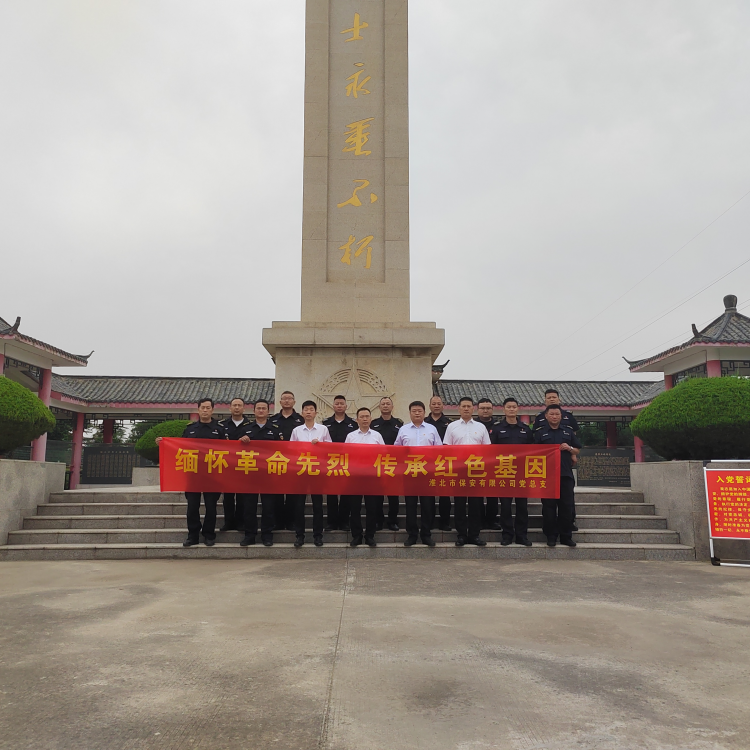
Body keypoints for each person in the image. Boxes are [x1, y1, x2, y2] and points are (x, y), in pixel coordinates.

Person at [156, 398, 227, 547]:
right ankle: (193, 535)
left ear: (212, 410)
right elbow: (179, 448)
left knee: (211, 507)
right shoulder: (190, 429)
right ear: (198, 409)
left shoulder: (220, 429)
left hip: (212, 475)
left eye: (208, 408)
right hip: (193, 473)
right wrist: (164, 444)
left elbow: (228, 451)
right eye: (203, 408)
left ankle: (209, 535)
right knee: (192, 506)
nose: (205, 410)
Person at [443, 397, 490, 547]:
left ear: (473, 409)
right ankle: (462, 535)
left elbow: (487, 449)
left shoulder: (481, 427)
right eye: (463, 406)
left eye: (469, 406)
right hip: (459, 471)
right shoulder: (452, 427)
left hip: (476, 471)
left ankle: (474, 535)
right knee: (460, 504)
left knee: (476, 504)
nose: (466, 409)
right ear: (458, 409)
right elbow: (447, 448)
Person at [394, 400, 441, 547]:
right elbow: (397, 449)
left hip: (427, 473)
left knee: (428, 505)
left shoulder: (432, 429)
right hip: (410, 473)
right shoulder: (403, 430)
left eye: (419, 411)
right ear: (409, 413)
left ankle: (426, 534)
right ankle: (412, 535)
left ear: (424, 413)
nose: (417, 413)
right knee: (410, 505)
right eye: (414, 411)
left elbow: (439, 450)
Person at [533, 404, 581, 547]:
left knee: (566, 506)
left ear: (561, 416)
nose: (554, 417)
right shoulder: (540, 433)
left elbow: (577, 450)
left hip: (565, 474)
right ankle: (551, 536)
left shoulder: (568, 432)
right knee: (549, 507)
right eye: (552, 414)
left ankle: (566, 536)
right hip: (547, 476)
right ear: (546, 416)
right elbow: (533, 452)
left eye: (557, 414)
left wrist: (569, 448)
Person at [240, 399, 284, 548]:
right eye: (258, 408)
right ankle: (249, 535)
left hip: (268, 474)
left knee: (268, 507)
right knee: (249, 507)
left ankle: (267, 535)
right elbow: (235, 449)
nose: (260, 410)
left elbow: (282, 450)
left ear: (268, 411)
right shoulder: (246, 429)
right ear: (253, 411)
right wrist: (241, 441)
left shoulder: (275, 429)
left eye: (263, 408)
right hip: (250, 473)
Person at [490, 397, 534, 546]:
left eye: (514, 407)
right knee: (505, 506)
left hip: (521, 473)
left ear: (517, 409)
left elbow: (533, 450)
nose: (511, 409)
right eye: (508, 407)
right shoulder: (497, 429)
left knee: (522, 506)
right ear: (503, 409)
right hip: (504, 472)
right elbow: (491, 451)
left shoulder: (525, 429)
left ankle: (522, 536)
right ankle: (507, 535)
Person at [290, 400, 332, 547]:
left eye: (311, 409)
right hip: (301, 471)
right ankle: (299, 536)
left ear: (316, 413)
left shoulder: (323, 429)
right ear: (302, 413)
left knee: (318, 505)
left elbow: (330, 448)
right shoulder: (296, 431)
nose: (308, 412)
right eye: (306, 409)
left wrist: (320, 445)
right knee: (299, 505)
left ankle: (318, 535)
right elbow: (291, 450)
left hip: (317, 472)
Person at [344, 407, 385, 547]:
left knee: (372, 507)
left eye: (367, 416)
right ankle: (356, 535)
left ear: (371, 419)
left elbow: (384, 454)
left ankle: (370, 536)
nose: (365, 419)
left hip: (372, 477)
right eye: (362, 417)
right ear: (357, 420)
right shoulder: (351, 436)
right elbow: (345, 455)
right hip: (355, 477)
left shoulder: (377, 436)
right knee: (354, 508)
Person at [270, 390, 305, 531]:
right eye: (284, 398)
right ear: (280, 402)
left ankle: (291, 522)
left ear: (294, 402)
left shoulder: (300, 420)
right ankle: (278, 522)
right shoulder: (273, 420)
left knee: (292, 493)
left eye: (289, 398)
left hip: (295, 461)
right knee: (277, 493)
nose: (287, 401)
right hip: (277, 460)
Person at [323, 395, 358, 531]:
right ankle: (331, 522)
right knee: (331, 493)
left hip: (348, 462)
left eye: (341, 403)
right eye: (337, 403)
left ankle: (344, 521)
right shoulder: (325, 424)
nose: (339, 406)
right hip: (330, 462)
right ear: (333, 406)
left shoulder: (353, 424)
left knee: (346, 492)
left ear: (346, 406)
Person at [217, 397, 252, 532]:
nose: (237, 408)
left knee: (242, 496)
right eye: (234, 405)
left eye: (239, 405)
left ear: (244, 408)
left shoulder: (250, 426)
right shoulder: (222, 425)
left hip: (245, 464)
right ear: (230, 408)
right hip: (227, 465)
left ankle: (241, 522)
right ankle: (228, 522)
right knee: (228, 496)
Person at [370, 396, 403, 531]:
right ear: (379, 407)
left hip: (393, 463)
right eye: (383, 404)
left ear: (392, 407)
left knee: (393, 494)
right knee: (377, 494)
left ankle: (392, 521)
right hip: (377, 463)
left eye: (388, 404)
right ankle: (379, 520)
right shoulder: (373, 424)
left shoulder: (399, 424)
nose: (385, 406)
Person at [425, 395, 453, 531]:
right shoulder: (424, 422)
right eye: (434, 403)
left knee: (444, 494)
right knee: (428, 495)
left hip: (445, 463)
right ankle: (429, 521)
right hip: (427, 464)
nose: (436, 406)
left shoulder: (450, 424)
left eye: (439, 403)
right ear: (429, 406)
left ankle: (444, 522)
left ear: (443, 405)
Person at [474, 398, 500, 530]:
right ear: (477, 410)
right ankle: (478, 520)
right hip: (476, 464)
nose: (485, 410)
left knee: (492, 494)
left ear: (492, 410)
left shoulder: (499, 426)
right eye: (482, 408)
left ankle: (492, 520)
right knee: (477, 494)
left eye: (488, 408)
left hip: (494, 465)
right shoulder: (472, 425)